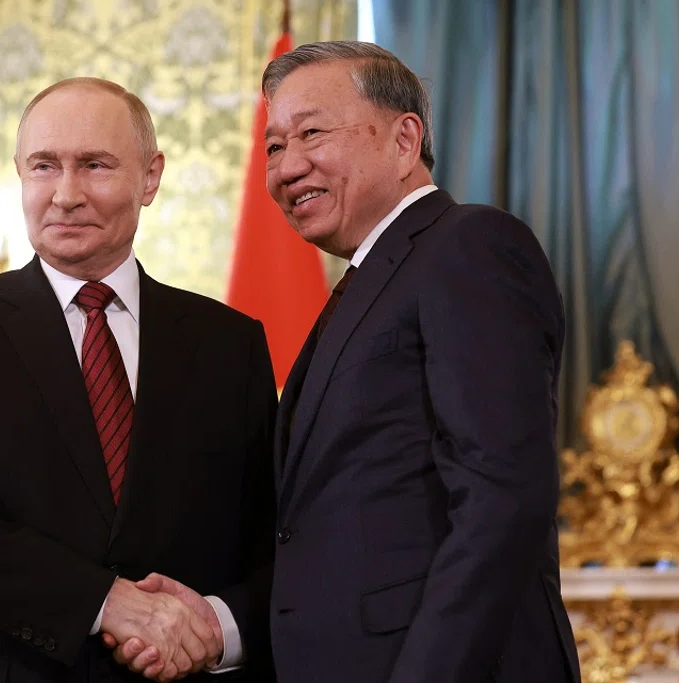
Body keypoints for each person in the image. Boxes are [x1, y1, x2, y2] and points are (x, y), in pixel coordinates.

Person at [0, 77, 277, 683]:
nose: (66, 194)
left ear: (150, 178)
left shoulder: (231, 341)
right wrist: (104, 600)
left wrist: (214, 627)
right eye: (44, 166)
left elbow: (271, 537)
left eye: (95, 165)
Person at [260, 41, 582, 683]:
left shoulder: (468, 245)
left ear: (405, 140)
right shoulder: (370, 279)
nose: (287, 167)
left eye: (312, 133)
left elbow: (502, 497)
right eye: (273, 147)